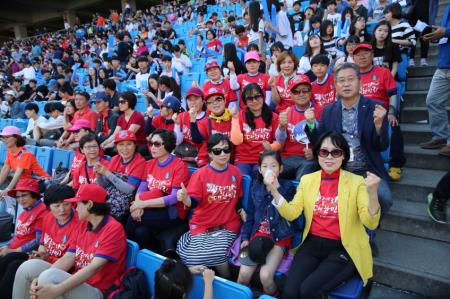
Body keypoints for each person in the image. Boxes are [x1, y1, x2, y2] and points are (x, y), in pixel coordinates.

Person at [274, 131, 381, 299]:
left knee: (308, 291)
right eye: (324, 152)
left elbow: (371, 223)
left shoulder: (357, 182)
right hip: (312, 245)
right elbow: (292, 213)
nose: (329, 157)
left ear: (343, 156)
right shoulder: (307, 180)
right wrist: (274, 190)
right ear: (317, 154)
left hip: (343, 247)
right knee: (290, 292)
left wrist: (373, 193)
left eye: (336, 152)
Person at [307, 62, 393, 215]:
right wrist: (311, 124)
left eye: (351, 79)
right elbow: (319, 141)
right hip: (338, 168)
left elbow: (382, 146)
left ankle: (371, 225)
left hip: (367, 169)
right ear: (336, 85)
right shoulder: (329, 111)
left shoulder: (376, 107)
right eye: (341, 80)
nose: (346, 84)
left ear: (360, 82)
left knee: (385, 198)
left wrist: (379, 125)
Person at [26, 184, 127, 299]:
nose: (75, 208)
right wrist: (38, 279)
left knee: (49, 278)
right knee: (29, 267)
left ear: (89, 204)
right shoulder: (83, 224)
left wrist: (57, 290)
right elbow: (69, 257)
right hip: (79, 282)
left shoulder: (113, 228)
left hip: (97, 291)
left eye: (78, 204)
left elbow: (95, 267)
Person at [177, 134, 242, 278]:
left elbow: (239, 198)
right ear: (210, 153)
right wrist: (185, 198)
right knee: (189, 257)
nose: (223, 154)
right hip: (203, 225)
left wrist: (242, 210)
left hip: (227, 226)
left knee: (215, 253)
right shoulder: (200, 174)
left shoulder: (236, 172)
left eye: (226, 149)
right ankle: (213, 279)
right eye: (218, 151)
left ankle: (227, 280)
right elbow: (193, 202)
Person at [237, 151, 296, 296]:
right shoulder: (256, 186)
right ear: (260, 170)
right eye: (265, 166)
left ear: (280, 169)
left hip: (279, 235)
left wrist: (275, 189)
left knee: (265, 276)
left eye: (273, 166)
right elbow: (250, 215)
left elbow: (290, 215)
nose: (269, 169)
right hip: (258, 233)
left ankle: (272, 294)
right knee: (243, 275)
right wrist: (245, 237)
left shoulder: (288, 187)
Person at [126, 129, 189, 251]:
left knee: (132, 219)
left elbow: (174, 198)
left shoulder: (179, 166)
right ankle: (144, 259)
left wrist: (141, 205)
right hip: (152, 208)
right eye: (150, 143)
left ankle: (123, 253)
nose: (152, 147)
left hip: (172, 212)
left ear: (168, 145)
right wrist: (137, 205)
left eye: (157, 144)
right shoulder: (149, 164)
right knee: (141, 232)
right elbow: (142, 188)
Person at [12, 184, 79, 299]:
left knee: (27, 269)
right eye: (57, 206)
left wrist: (43, 264)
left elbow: (69, 259)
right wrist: (40, 254)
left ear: (73, 203)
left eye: (66, 204)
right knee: (15, 264)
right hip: (48, 261)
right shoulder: (48, 218)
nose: (62, 210)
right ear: (48, 207)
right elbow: (42, 244)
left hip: (64, 269)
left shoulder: (79, 222)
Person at [352, 43, 406, 181]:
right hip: (359, 114)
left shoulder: (383, 72)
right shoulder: (352, 76)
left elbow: (393, 94)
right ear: (353, 58)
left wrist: (392, 112)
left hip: (380, 112)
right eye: (358, 54)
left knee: (394, 125)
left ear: (372, 55)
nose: (362, 56)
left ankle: (395, 164)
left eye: (365, 53)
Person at [0, 179, 48, 299]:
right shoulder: (24, 212)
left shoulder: (42, 212)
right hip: (13, 249)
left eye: (24, 195)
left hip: (28, 254)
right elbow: (19, 236)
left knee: (9, 262)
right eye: (18, 197)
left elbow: (38, 241)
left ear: (35, 195)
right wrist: (7, 246)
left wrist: (13, 251)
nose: (21, 200)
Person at [94, 130, 146, 223]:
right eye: (121, 144)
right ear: (116, 147)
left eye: (129, 144)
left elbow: (129, 189)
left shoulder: (139, 161)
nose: (125, 148)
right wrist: (99, 175)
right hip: (109, 197)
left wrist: (107, 173)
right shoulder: (115, 159)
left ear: (135, 146)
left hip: (124, 203)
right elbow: (104, 184)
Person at [231, 83, 280, 178]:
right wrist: (235, 119)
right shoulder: (240, 116)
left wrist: (271, 147)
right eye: (249, 98)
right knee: (243, 179)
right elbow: (236, 141)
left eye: (257, 96)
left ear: (263, 96)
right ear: (245, 101)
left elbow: (278, 142)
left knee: (259, 179)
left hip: (264, 159)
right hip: (243, 159)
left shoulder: (274, 117)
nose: (254, 101)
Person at [277, 75, 320, 180]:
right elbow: (280, 140)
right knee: (269, 169)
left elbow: (327, 140)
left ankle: (299, 196)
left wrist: (315, 152)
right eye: (296, 91)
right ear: (291, 94)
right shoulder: (287, 112)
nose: (301, 94)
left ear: (310, 92)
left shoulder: (321, 111)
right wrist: (281, 127)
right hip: (288, 157)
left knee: (307, 168)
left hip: (309, 159)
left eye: (305, 91)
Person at [419, 13, 450, 156]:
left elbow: (446, 30)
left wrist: (445, 31)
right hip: (443, 64)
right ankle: (441, 137)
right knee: (433, 100)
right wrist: (435, 36)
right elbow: (444, 32)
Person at [0, 126, 50, 199]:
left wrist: (8, 190)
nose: (4, 140)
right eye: (2, 137)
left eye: (7, 137)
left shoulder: (25, 153)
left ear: (16, 138)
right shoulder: (11, 151)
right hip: (26, 184)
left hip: (40, 184)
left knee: (11, 195)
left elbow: (18, 174)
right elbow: (5, 169)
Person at [191, 87, 233, 167]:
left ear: (225, 101)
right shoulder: (205, 121)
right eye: (210, 102)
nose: (215, 103)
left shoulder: (233, 118)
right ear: (207, 106)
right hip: (207, 160)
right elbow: (197, 140)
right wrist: (193, 121)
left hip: (228, 159)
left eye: (218, 99)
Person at [173, 87, 207, 166]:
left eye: (196, 99)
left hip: (199, 155)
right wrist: (177, 124)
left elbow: (200, 142)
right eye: (190, 100)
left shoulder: (208, 118)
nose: (193, 102)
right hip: (183, 153)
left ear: (203, 101)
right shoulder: (182, 116)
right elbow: (177, 142)